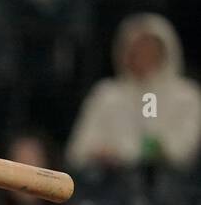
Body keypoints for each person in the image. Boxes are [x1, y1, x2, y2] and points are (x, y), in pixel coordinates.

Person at [66, 14, 201, 171]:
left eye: (149, 48)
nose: (142, 55)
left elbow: (183, 150)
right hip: (112, 183)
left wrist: (153, 151)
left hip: (172, 185)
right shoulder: (107, 94)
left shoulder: (186, 95)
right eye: (136, 48)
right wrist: (105, 153)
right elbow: (78, 151)